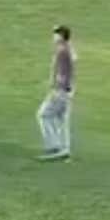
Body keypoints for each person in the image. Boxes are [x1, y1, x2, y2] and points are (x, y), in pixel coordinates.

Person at [37, 24, 76, 161]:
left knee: (43, 115)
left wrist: (56, 88)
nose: (53, 36)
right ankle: (64, 148)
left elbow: (61, 73)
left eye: (56, 33)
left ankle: (54, 146)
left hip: (61, 90)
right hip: (68, 90)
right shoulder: (69, 50)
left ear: (61, 36)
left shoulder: (62, 51)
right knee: (61, 120)